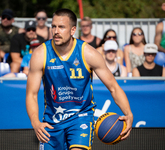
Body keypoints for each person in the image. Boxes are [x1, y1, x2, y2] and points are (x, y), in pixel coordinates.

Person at [26, 8, 133, 150]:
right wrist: (35, 122)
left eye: (61, 27)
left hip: (81, 117)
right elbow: (31, 94)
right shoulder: (40, 54)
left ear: (72, 30)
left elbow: (113, 87)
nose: (56, 31)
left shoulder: (88, 53)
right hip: (52, 121)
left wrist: (128, 113)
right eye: (54, 26)